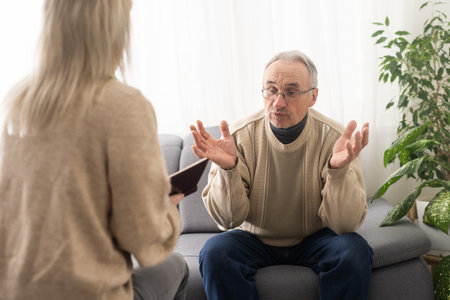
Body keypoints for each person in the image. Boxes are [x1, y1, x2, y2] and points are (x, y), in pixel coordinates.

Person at [0, 1, 187, 300]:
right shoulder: (123, 105)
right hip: (88, 293)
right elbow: (143, 238)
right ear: (112, 30)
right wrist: (168, 209)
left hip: (16, 291)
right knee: (176, 266)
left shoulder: (18, 101)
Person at [190, 50, 373, 300]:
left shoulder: (336, 138)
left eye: (291, 92)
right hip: (253, 238)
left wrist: (337, 171)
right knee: (215, 251)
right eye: (271, 90)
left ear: (313, 96)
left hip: (315, 238)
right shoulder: (238, 136)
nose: (278, 102)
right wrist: (228, 169)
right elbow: (228, 220)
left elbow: (345, 225)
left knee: (354, 251)